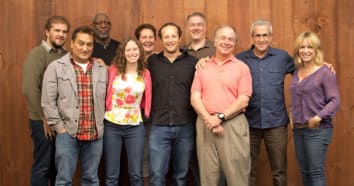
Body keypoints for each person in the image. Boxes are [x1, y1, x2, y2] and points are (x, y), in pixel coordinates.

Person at [41, 26, 107, 185]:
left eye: (89, 44)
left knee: (91, 179)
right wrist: (60, 129)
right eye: (81, 43)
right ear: (72, 43)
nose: (85, 48)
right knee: (63, 180)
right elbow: (47, 102)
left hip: (94, 134)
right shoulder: (56, 67)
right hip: (68, 134)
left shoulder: (101, 69)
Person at [191, 25, 252, 186]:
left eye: (231, 39)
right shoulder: (202, 67)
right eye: (223, 38)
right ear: (215, 41)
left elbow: (243, 100)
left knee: (237, 176)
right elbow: (195, 98)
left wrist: (220, 117)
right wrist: (209, 119)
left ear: (235, 43)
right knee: (208, 177)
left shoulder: (242, 68)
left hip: (233, 124)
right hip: (205, 124)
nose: (226, 42)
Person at [236, 20, 295, 186]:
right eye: (257, 35)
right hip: (248, 123)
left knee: (279, 170)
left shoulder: (282, 57)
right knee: (247, 170)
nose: (261, 39)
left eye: (265, 35)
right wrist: (203, 62)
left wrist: (321, 67)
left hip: (276, 124)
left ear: (271, 37)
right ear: (252, 37)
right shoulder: (240, 59)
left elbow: (304, 73)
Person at [147, 22, 198, 186]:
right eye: (166, 36)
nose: (170, 40)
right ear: (161, 40)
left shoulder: (193, 62)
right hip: (158, 126)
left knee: (181, 176)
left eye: (173, 36)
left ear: (180, 38)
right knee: (156, 175)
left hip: (185, 126)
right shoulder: (152, 61)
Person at [22, 15, 70, 186]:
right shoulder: (37, 54)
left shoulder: (65, 55)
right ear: (47, 32)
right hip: (42, 120)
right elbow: (29, 89)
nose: (61, 35)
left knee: (57, 167)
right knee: (43, 166)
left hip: (61, 121)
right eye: (57, 30)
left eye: (64, 32)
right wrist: (45, 118)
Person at [290, 31, 340, 186]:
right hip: (298, 129)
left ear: (317, 50)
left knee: (316, 172)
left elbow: (335, 100)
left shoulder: (325, 72)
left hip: (318, 130)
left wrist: (318, 117)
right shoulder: (297, 71)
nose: (305, 50)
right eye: (302, 47)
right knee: (305, 172)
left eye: (310, 47)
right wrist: (291, 115)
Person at [103, 38, 152, 186]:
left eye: (135, 49)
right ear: (122, 53)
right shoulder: (113, 70)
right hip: (112, 125)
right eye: (128, 49)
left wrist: (146, 112)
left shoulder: (145, 73)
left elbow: (148, 95)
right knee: (112, 176)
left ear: (140, 51)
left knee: (136, 174)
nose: (132, 52)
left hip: (135, 126)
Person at [134, 23, 157, 181]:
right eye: (144, 37)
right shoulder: (132, 60)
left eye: (151, 37)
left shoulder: (161, 59)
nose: (148, 40)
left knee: (155, 158)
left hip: (158, 117)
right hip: (137, 117)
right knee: (142, 158)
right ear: (138, 40)